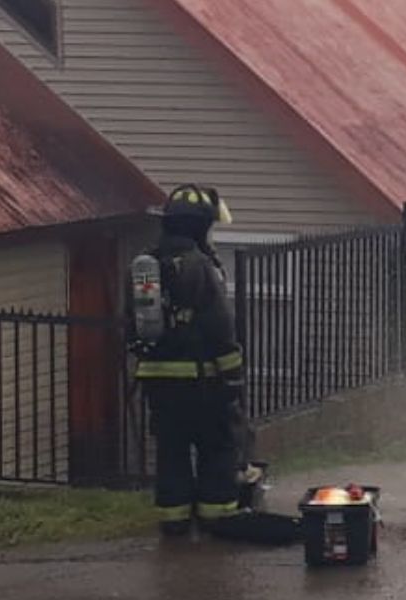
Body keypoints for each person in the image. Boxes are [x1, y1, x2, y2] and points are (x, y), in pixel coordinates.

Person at [129, 184, 246, 536]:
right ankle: (216, 518)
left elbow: (130, 324)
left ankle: (174, 524)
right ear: (199, 227)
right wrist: (234, 379)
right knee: (217, 446)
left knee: (172, 452)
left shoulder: (146, 266)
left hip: (158, 384)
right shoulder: (201, 267)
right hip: (202, 381)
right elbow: (220, 327)